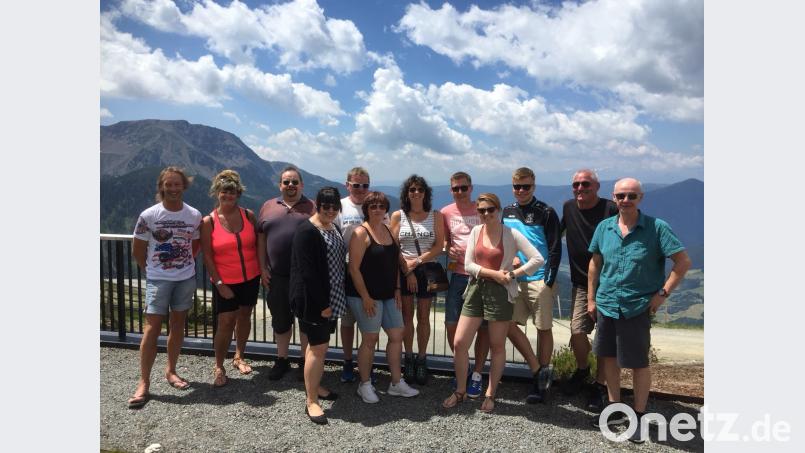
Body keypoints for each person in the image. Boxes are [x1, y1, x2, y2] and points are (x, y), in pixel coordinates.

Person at [588, 178, 691, 443]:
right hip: (607, 303)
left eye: (631, 196)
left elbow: (682, 262)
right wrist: (591, 299)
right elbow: (595, 263)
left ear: (640, 198)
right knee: (608, 358)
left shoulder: (657, 228)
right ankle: (615, 409)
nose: (626, 200)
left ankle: (639, 415)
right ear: (614, 197)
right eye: (621, 196)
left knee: (638, 364)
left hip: (636, 306)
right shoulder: (604, 228)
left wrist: (662, 294)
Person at [442, 193, 544, 413]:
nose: (486, 213)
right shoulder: (476, 232)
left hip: (500, 294)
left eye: (490, 209)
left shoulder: (511, 234)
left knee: (497, 346)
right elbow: (468, 265)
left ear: (498, 210)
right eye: (482, 210)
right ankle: (460, 390)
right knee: (460, 342)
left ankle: (490, 394)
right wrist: (495, 274)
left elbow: (537, 259)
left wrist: (514, 274)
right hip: (476, 289)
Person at [127, 167, 202, 408]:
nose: (173, 189)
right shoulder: (149, 215)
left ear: (184, 186)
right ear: (161, 187)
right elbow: (138, 249)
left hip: (185, 278)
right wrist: (151, 271)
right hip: (158, 279)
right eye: (168, 184)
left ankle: (171, 371)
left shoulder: (194, 215)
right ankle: (144, 382)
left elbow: (195, 245)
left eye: (177, 184)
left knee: (178, 325)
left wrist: (183, 264)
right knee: (152, 328)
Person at [347, 191, 420, 403]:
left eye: (381, 206)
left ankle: (396, 382)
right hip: (365, 296)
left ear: (386, 208)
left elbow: (394, 263)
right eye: (373, 206)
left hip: (389, 294)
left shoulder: (388, 230)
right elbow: (353, 269)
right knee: (370, 338)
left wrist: (397, 288)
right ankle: (364, 384)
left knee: (397, 335)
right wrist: (365, 297)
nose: (378, 209)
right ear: (366, 210)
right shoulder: (360, 233)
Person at [558, 169, 618, 410]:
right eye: (576, 184)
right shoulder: (568, 207)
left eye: (585, 184)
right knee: (577, 331)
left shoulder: (611, 209)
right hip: (581, 283)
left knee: (604, 338)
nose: (580, 188)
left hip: (610, 283)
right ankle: (583, 370)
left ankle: (599, 385)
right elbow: (554, 234)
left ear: (597, 186)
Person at [502, 167, 562, 403]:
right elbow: (503, 240)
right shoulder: (507, 211)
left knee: (543, 328)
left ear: (533, 186)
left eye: (526, 186)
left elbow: (555, 248)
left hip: (539, 279)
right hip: (515, 279)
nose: (521, 191)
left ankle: (542, 380)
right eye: (517, 186)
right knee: (507, 325)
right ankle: (538, 370)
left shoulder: (546, 212)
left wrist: (549, 281)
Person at [289, 187, 348, 424]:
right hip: (314, 300)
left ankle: (315, 386)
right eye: (326, 206)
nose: (331, 211)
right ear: (318, 205)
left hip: (331, 296)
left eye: (335, 207)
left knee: (319, 347)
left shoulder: (332, 227)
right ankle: (311, 400)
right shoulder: (306, 231)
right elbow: (308, 273)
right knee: (317, 347)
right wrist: (322, 304)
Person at [200, 170, 261, 387]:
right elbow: (207, 255)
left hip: (251, 277)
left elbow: (259, 244)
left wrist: (263, 270)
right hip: (225, 280)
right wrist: (218, 283)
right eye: (224, 192)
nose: (228, 195)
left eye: (232, 192)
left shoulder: (249, 215)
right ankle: (219, 366)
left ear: (238, 194)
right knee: (226, 322)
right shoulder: (209, 221)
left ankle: (239, 356)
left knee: (244, 316)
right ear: (217, 193)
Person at [257, 166, 316, 380]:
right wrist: (262, 268)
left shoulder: (313, 207)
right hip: (277, 275)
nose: (290, 185)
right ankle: (281, 360)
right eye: (286, 182)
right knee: (280, 320)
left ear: (301, 185)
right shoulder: (268, 206)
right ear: (280, 185)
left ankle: (304, 362)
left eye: (294, 182)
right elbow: (261, 238)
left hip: (305, 277)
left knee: (305, 321)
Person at [389, 175, 445, 386]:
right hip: (405, 270)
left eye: (420, 189)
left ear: (426, 193)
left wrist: (418, 261)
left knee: (423, 316)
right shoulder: (398, 216)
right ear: (407, 193)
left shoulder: (436, 216)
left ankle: (422, 358)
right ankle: (409, 356)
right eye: (412, 189)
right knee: (406, 316)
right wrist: (408, 271)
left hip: (427, 270)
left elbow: (438, 246)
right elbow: (394, 246)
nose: (416, 193)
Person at [440, 171, 489, 398]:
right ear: (451, 190)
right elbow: (445, 240)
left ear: (471, 188)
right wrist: (446, 248)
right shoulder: (446, 212)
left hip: (482, 275)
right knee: (451, 323)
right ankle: (464, 368)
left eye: (463, 188)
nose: (459, 192)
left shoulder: (482, 209)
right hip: (458, 275)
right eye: (455, 188)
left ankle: (477, 374)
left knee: (483, 328)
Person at [336, 167, 386, 384]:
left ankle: (366, 364)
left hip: (372, 274)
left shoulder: (375, 206)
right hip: (345, 271)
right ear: (347, 185)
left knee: (370, 325)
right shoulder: (339, 206)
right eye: (356, 185)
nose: (361, 189)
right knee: (347, 322)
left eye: (365, 185)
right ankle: (348, 361)